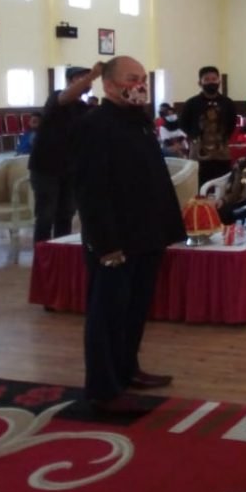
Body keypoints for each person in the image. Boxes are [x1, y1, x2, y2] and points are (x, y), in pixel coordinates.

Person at [71, 55, 185, 415]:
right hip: (116, 240)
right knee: (107, 315)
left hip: (147, 234)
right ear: (108, 85)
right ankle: (103, 390)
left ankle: (126, 369)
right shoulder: (94, 125)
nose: (140, 85)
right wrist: (105, 244)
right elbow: (91, 190)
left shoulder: (139, 121)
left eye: (143, 79)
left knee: (134, 310)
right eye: (132, 78)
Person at [29, 65, 100, 242]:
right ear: (69, 81)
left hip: (70, 169)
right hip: (46, 167)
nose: (87, 82)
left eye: (88, 79)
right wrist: (93, 74)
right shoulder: (57, 97)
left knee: (66, 215)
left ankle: (60, 251)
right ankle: (42, 252)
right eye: (81, 78)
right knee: (45, 215)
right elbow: (66, 97)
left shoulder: (83, 108)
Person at [180, 66, 237, 186]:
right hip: (199, 152)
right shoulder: (191, 103)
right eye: (207, 79)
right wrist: (194, 136)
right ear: (200, 83)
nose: (211, 82)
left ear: (219, 81)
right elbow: (183, 123)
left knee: (222, 184)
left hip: (222, 153)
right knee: (198, 185)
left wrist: (224, 137)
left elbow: (232, 123)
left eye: (214, 79)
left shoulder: (228, 103)